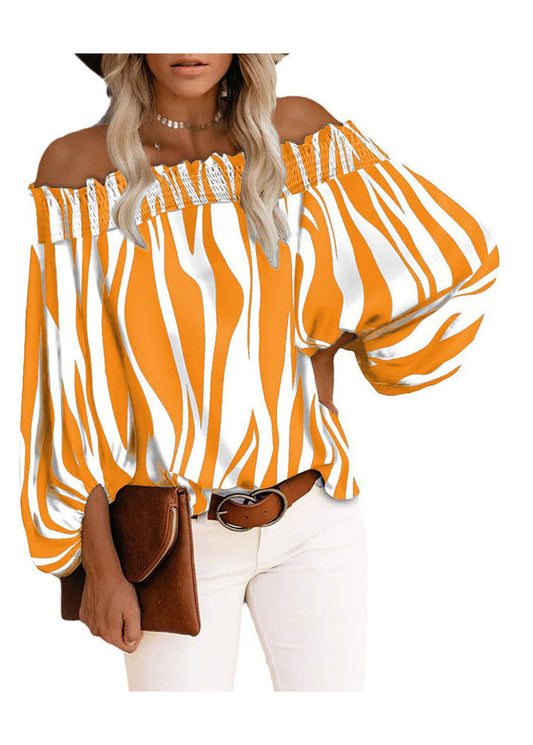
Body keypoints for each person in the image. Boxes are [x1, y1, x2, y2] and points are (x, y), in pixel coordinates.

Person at [19, 53, 499, 691]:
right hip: (172, 543)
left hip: (313, 515)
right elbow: (68, 391)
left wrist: (327, 344)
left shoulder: (300, 136)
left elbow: (425, 260)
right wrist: (101, 570)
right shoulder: (79, 170)